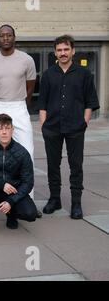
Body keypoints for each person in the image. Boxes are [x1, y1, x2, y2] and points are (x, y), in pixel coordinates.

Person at [38, 35, 99, 219]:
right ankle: (54, 199)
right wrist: (43, 126)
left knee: (76, 166)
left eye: (66, 49)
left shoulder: (84, 74)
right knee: (52, 165)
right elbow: (42, 104)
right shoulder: (48, 75)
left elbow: (90, 102)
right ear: (55, 52)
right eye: (59, 50)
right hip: (52, 128)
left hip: (75, 127)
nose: (63, 53)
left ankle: (76, 203)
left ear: (72, 51)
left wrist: (84, 122)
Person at [0, 24, 39, 218]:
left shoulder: (27, 60)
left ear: (14, 37)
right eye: (2, 36)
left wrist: (20, 104)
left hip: (19, 106)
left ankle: (27, 198)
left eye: (9, 35)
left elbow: (30, 88)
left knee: (27, 152)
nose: (5, 38)